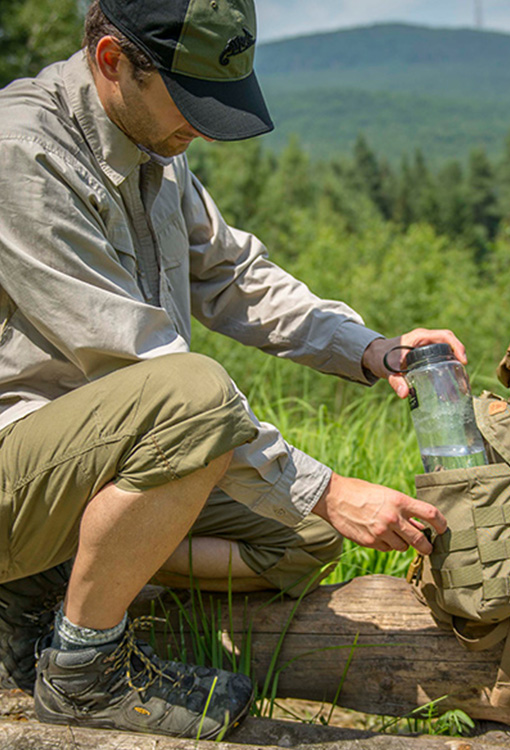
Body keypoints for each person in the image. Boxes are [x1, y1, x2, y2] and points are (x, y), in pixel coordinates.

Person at [0, 0, 462, 740]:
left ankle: (61, 594)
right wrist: (328, 487)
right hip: (14, 470)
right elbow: (147, 366)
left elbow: (234, 276)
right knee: (197, 395)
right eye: (189, 101)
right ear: (113, 61)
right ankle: (85, 672)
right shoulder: (23, 154)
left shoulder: (151, 145)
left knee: (298, 541)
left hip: (99, 466)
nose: (204, 126)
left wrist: (371, 348)